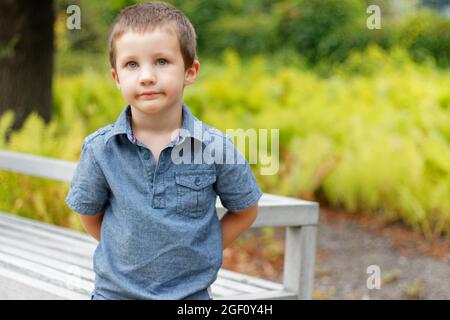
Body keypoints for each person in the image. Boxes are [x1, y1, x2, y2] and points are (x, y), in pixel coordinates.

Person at [65, 1, 263, 300]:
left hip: (190, 297)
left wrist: (203, 248)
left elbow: (245, 210)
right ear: (116, 78)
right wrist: (123, 253)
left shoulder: (216, 147)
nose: (146, 76)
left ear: (190, 71)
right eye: (132, 64)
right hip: (114, 294)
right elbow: (89, 215)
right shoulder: (100, 149)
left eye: (161, 61)